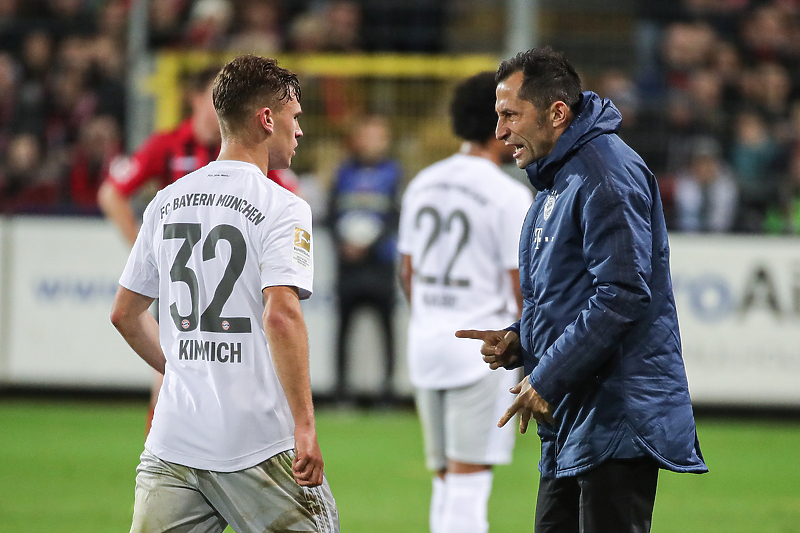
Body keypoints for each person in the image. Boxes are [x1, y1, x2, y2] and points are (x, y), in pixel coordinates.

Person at [456, 48, 707, 533]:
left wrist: (545, 377)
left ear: (556, 113)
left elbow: (621, 294)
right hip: (576, 413)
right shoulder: (559, 178)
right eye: (497, 116)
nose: (500, 131)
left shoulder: (604, 173)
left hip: (615, 415)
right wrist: (522, 338)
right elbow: (570, 295)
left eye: (510, 115)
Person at [109, 54, 339, 533]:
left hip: (173, 443)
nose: (300, 132)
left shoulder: (166, 200)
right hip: (256, 443)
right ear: (267, 119)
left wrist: (182, 370)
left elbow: (126, 315)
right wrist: (304, 424)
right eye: (295, 119)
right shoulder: (282, 206)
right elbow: (281, 316)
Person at [98, 65, 299, 435]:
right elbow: (111, 192)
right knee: (166, 386)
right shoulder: (168, 144)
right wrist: (147, 252)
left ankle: (176, 475)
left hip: (230, 283)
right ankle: (163, 464)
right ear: (194, 98)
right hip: (186, 283)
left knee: (210, 381)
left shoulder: (243, 150)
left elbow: (290, 194)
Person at [397, 72, 533, 533]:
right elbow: (522, 284)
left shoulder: (423, 184)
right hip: (482, 349)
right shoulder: (508, 195)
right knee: (470, 478)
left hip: (427, 343)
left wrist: (432, 318)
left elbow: (407, 272)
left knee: (445, 477)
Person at [328, 115, 401, 401]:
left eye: (377, 136)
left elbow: (395, 217)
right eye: (366, 136)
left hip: (379, 264)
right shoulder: (342, 173)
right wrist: (342, 243)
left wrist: (369, 245)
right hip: (348, 266)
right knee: (344, 327)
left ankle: (387, 390)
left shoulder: (393, 173)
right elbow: (331, 214)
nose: (371, 142)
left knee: (385, 328)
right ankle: (341, 390)